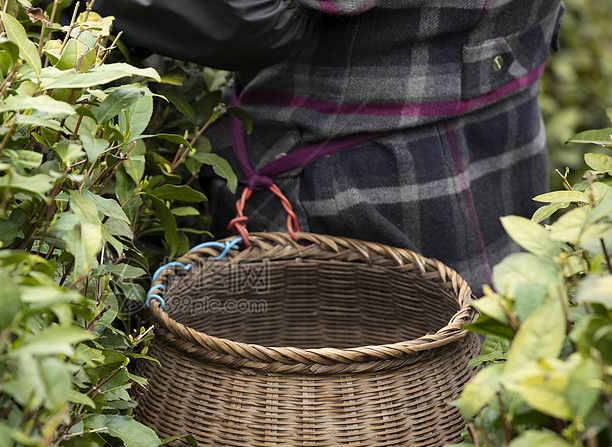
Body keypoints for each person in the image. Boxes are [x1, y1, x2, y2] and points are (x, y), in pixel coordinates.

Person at [90, 0, 565, 292]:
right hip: (500, 153)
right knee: (479, 389)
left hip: (355, 201)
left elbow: (253, 13)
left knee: (325, 428)